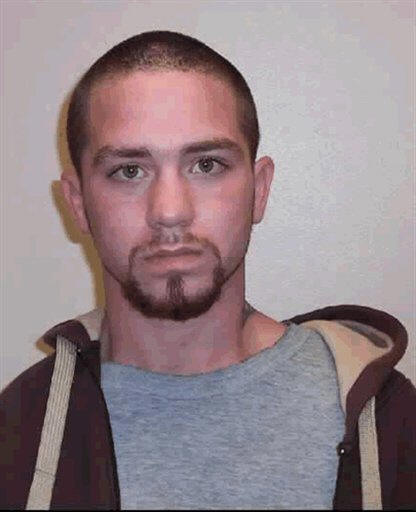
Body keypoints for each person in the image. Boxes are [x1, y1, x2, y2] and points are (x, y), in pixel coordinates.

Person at [0, 30, 414, 511]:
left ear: (259, 189)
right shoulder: (19, 435)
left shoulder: (390, 424)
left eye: (207, 165)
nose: (170, 211)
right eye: (129, 171)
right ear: (78, 205)